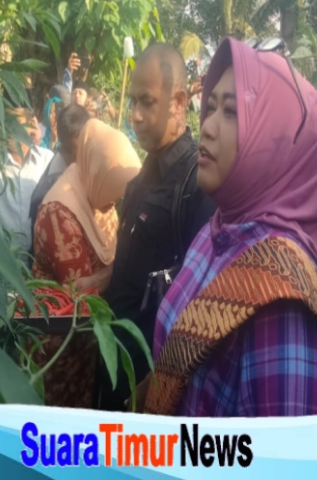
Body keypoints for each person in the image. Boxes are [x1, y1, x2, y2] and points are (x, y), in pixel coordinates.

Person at [136, 37, 317, 417]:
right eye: (211, 107)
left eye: (231, 112)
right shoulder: (215, 231)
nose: (207, 127)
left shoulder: (284, 308)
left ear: (275, 140)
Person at [87, 43, 217, 411]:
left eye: (147, 102)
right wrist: (101, 278)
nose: (135, 116)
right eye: (133, 102)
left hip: (145, 379)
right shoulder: (143, 176)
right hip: (113, 356)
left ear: (178, 102)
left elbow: (200, 304)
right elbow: (137, 261)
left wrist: (153, 385)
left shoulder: (195, 185)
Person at [30, 118, 142, 409]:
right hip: (58, 349)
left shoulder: (97, 198)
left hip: (84, 341)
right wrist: (121, 269)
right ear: (98, 171)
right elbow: (79, 291)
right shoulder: (60, 213)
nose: (118, 199)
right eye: (116, 189)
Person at [0, 108, 53, 264]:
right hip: (3, 262)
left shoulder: (47, 161)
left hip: (40, 264)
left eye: (15, 123)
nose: (9, 131)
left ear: (31, 124)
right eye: (5, 123)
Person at [29, 104, 91, 240]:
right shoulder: (51, 186)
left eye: (86, 150)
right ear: (62, 150)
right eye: (76, 154)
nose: (82, 158)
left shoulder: (91, 160)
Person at [40, 85, 71, 150]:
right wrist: (52, 141)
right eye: (51, 112)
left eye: (56, 112)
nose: (54, 116)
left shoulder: (68, 139)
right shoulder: (38, 134)